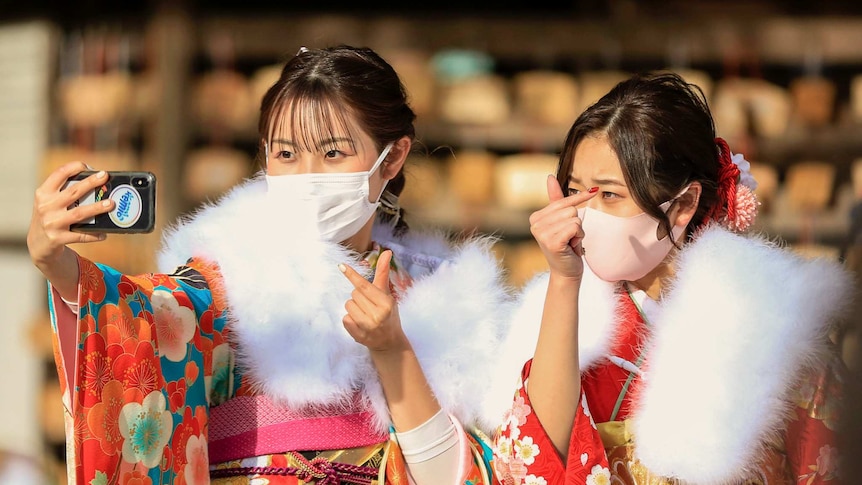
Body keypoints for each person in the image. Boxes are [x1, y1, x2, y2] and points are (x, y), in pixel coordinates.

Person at [28, 44, 513, 484]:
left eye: (332, 153)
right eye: (285, 153)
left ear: (392, 159)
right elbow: (141, 317)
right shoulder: (227, 276)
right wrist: (57, 264)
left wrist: (394, 351)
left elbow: (458, 475)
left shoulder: (442, 294)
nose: (305, 175)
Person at [488, 72, 853, 484]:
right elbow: (529, 465)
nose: (583, 215)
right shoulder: (565, 315)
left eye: (608, 195)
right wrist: (563, 282)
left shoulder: (772, 323)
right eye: (574, 191)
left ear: (683, 205)